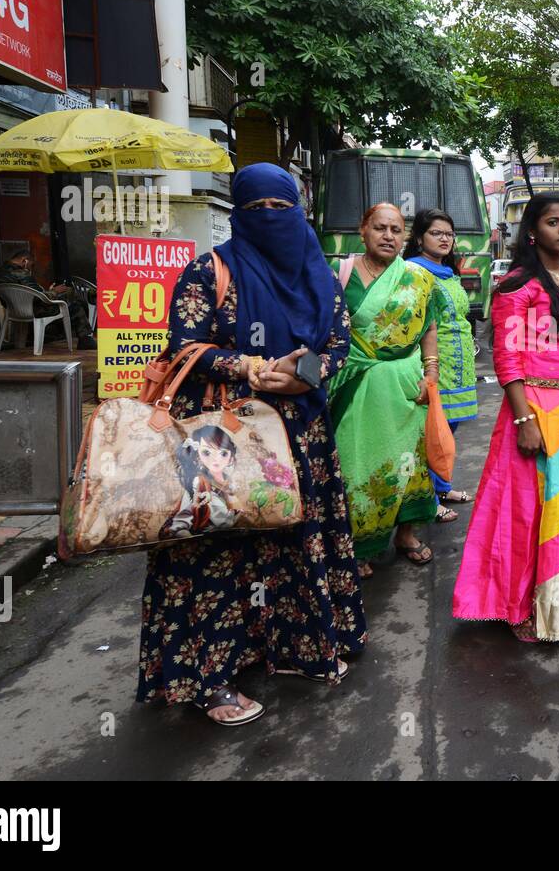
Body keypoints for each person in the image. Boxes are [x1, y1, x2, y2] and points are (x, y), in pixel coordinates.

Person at [138, 163, 366, 727]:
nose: (270, 218)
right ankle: (208, 681)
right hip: (225, 440)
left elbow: (338, 340)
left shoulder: (317, 274)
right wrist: (254, 366)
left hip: (301, 438)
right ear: (239, 214)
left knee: (292, 540)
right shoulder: (208, 270)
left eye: (281, 208)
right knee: (215, 551)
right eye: (256, 209)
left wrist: (306, 373)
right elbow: (187, 347)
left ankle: (297, 647)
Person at [452, 192, 559, 643]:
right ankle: (517, 604)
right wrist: (524, 421)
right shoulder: (517, 286)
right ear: (532, 231)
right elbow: (507, 361)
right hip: (534, 409)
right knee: (527, 509)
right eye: (553, 222)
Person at [329, 202, 441, 577]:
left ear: (405, 236)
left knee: (409, 463)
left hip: (406, 384)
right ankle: (360, 545)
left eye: (396, 230)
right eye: (380, 228)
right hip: (354, 384)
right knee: (357, 465)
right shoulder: (339, 272)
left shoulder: (417, 278)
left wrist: (431, 374)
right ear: (363, 230)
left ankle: (405, 535)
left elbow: (428, 328)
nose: (389, 236)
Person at [404, 208, 478, 522]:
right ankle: (428, 499)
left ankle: (443, 486)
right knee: (431, 431)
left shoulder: (448, 271)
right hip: (434, 360)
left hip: (460, 362)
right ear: (420, 237)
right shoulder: (412, 270)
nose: (444, 238)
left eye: (448, 233)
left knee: (450, 427)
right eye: (436, 233)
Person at [0, 249, 95, 349]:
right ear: (25, 261)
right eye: (31, 265)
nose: (30, 269)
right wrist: (55, 291)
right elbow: (38, 297)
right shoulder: (21, 273)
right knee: (75, 303)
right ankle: (85, 338)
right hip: (35, 310)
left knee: (70, 302)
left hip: (13, 311)